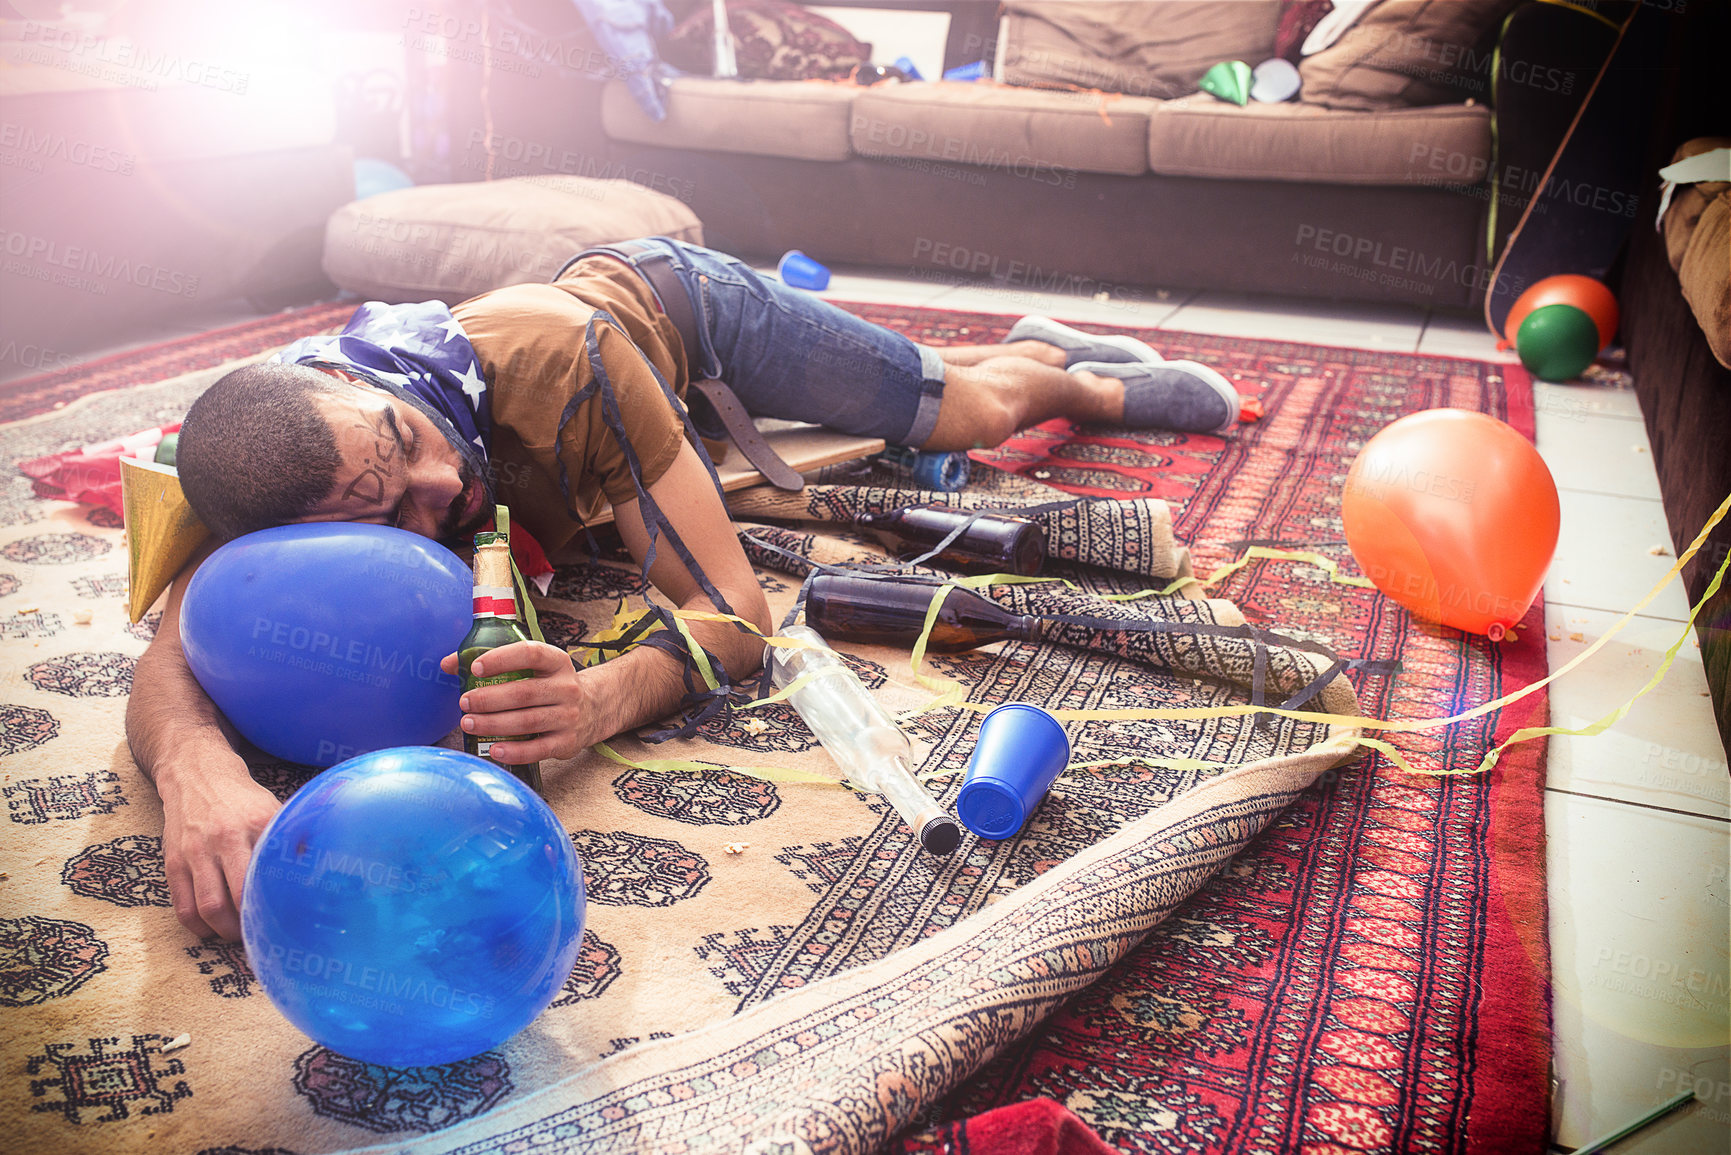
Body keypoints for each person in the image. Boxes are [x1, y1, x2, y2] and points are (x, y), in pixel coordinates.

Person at [128, 237, 1242, 942]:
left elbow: (739, 614)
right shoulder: (269, 469)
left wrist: (600, 698)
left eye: (404, 440)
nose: (438, 483)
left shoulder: (560, 365)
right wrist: (197, 771)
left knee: (970, 417)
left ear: (344, 378)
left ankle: (1073, 370)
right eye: (389, 516)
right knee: (796, 468)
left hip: (686, 315)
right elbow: (178, 653)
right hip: (624, 418)